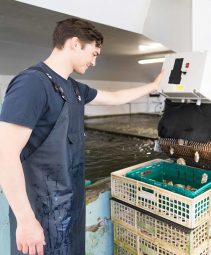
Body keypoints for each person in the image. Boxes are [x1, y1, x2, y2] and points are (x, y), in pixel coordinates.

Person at [0, 18, 164, 254]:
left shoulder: (74, 88)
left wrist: (153, 86)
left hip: (70, 208)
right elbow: (6, 155)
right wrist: (26, 221)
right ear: (75, 43)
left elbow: (114, 97)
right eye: (94, 53)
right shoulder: (31, 84)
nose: (94, 62)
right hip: (40, 214)